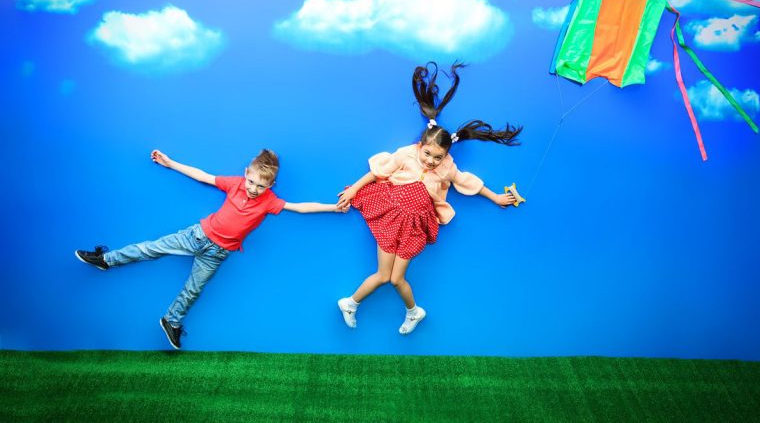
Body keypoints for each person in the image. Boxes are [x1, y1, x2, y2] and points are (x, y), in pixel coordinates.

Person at [75, 149, 344, 349]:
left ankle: (172, 321)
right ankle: (106, 259)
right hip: (197, 236)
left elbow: (300, 207)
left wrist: (333, 207)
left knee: (194, 289)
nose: (253, 189)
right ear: (246, 174)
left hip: (217, 254)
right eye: (251, 182)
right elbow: (203, 176)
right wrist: (170, 163)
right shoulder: (235, 184)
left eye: (261, 186)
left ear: (270, 186)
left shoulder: (269, 201)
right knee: (151, 249)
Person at [335, 62, 523, 335]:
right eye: (428, 154)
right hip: (392, 218)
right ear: (420, 146)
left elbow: (466, 181)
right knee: (383, 276)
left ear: (446, 155)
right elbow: (378, 172)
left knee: (396, 279)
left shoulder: (447, 167)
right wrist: (354, 189)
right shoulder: (406, 154)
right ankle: (350, 303)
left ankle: (414, 312)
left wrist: (495, 197)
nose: (431, 161)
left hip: (414, 227)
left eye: (438, 157)